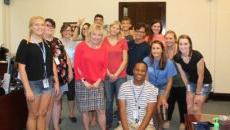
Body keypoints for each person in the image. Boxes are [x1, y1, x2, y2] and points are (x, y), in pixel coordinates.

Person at [16, 16, 59, 130]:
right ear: (31, 27)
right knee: (33, 115)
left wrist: (56, 82)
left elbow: (52, 63)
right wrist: (27, 89)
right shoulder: (25, 43)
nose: (40, 27)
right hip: (33, 84)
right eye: (36, 25)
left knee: (43, 113)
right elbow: (21, 68)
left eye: (42, 24)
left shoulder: (46, 43)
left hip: (47, 83)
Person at [74, 24, 108, 130]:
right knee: (85, 111)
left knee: (101, 110)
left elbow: (104, 66)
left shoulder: (104, 48)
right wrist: (84, 81)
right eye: (94, 34)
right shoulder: (81, 46)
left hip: (98, 83)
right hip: (82, 83)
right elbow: (76, 65)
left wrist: (98, 81)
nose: (96, 37)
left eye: (99, 35)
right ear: (90, 34)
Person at [44, 18, 73, 130]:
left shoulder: (58, 41)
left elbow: (66, 56)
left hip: (62, 76)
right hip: (49, 78)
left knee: (57, 102)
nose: (50, 28)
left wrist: (70, 70)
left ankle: (56, 127)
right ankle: (46, 127)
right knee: (48, 105)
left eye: (52, 26)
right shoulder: (41, 42)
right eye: (47, 25)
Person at [174, 34, 212, 114]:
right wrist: (188, 88)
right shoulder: (177, 57)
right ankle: (190, 126)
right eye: (180, 44)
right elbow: (183, 74)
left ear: (190, 44)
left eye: (185, 44)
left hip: (205, 82)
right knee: (189, 106)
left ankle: (198, 126)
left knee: (196, 105)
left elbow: (201, 76)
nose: (183, 46)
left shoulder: (197, 56)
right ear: (178, 45)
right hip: (192, 82)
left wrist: (198, 93)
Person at [143, 40, 177, 130]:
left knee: (159, 108)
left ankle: (160, 127)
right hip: (151, 87)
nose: (155, 50)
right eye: (153, 48)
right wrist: (147, 92)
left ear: (162, 50)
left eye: (158, 48)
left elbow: (170, 81)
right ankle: (154, 125)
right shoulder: (146, 60)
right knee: (151, 108)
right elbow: (146, 79)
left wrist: (164, 97)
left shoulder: (169, 62)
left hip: (163, 87)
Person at [115, 61, 158, 130]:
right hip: (127, 123)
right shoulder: (124, 87)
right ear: (133, 71)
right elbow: (122, 110)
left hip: (146, 125)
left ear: (146, 73)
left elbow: (149, 113)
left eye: (142, 71)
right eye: (137, 70)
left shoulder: (152, 89)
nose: (139, 73)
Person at [103, 21, 128, 129]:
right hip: (107, 75)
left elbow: (125, 59)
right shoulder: (103, 40)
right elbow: (101, 58)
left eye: (117, 28)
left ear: (119, 30)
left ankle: (119, 121)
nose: (115, 30)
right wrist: (109, 73)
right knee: (108, 100)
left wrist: (116, 74)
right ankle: (108, 122)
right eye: (113, 27)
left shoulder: (123, 41)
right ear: (110, 28)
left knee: (120, 100)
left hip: (120, 75)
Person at [163, 31, 187, 130]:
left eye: (171, 38)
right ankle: (168, 119)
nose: (168, 40)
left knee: (182, 103)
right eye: (167, 38)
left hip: (181, 81)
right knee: (170, 102)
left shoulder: (180, 50)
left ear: (175, 39)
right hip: (169, 82)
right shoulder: (163, 51)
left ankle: (183, 121)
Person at [60, 24, 78, 122]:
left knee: (71, 93)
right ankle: (58, 114)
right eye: (65, 30)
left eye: (69, 30)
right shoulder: (58, 42)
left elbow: (76, 58)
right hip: (61, 72)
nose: (67, 32)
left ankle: (71, 113)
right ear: (62, 31)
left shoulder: (73, 43)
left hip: (72, 71)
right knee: (60, 94)